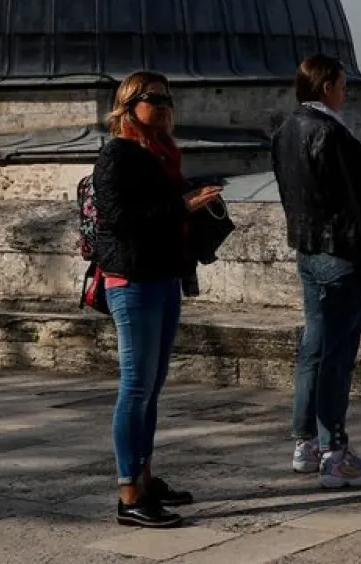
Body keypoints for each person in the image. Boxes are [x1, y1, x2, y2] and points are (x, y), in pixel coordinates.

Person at [90, 71, 225, 528]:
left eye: (169, 98)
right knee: (136, 386)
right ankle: (129, 492)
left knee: (153, 385)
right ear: (129, 107)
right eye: (154, 99)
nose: (164, 106)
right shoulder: (116, 155)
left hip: (163, 277)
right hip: (132, 281)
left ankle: (146, 477)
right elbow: (118, 219)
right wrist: (181, 206)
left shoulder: (161, 154)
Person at [272, 54, 361, 489]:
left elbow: (336, 176)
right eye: (342, 86)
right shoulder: (330, 131)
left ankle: (306, 443)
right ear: (326, 86)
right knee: (337, 357)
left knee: (314, 348)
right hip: (341, 256)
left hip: (309, 251)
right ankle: (335, 453)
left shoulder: (287, 130)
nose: (346, 92)